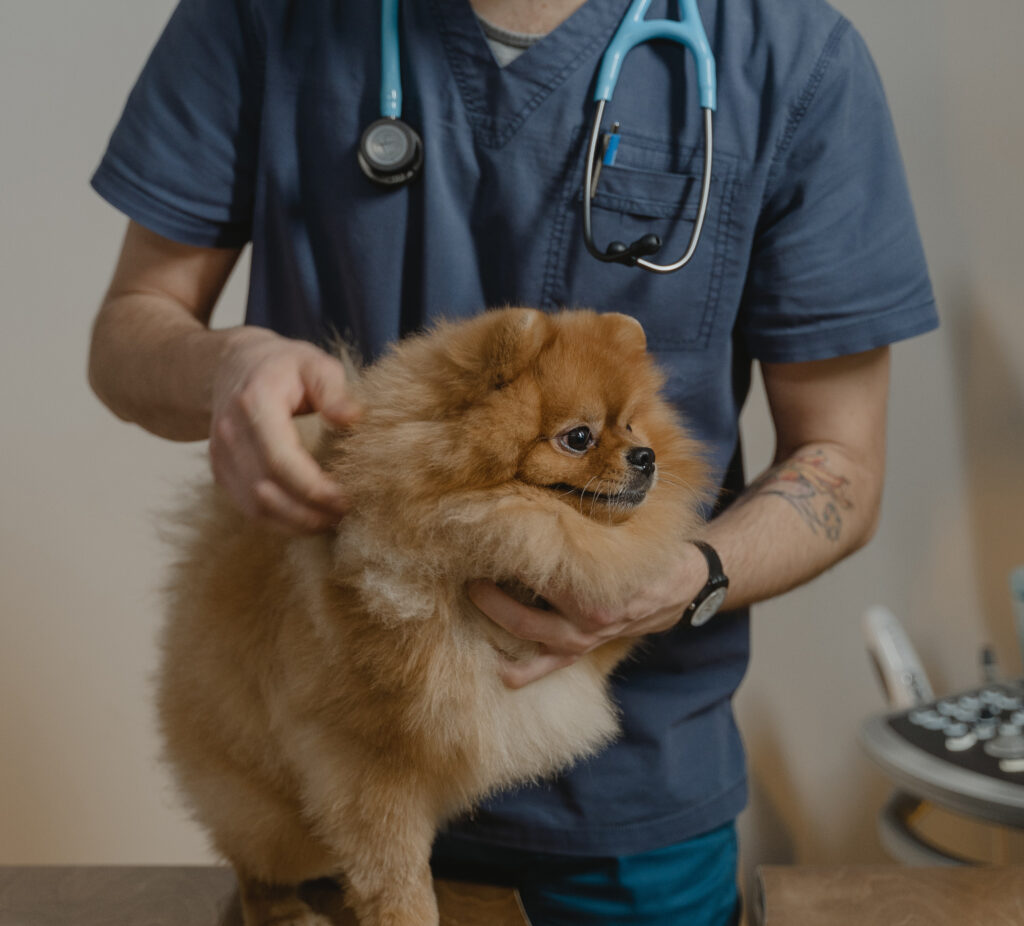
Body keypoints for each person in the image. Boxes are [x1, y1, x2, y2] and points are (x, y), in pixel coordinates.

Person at [88, 0, 938, 923]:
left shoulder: (786, 54)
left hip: (622, 821)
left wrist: (678, 578)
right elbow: (129, 330)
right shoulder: (260, 17)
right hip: (316, 771)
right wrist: (226, 368)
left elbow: (841, 461)